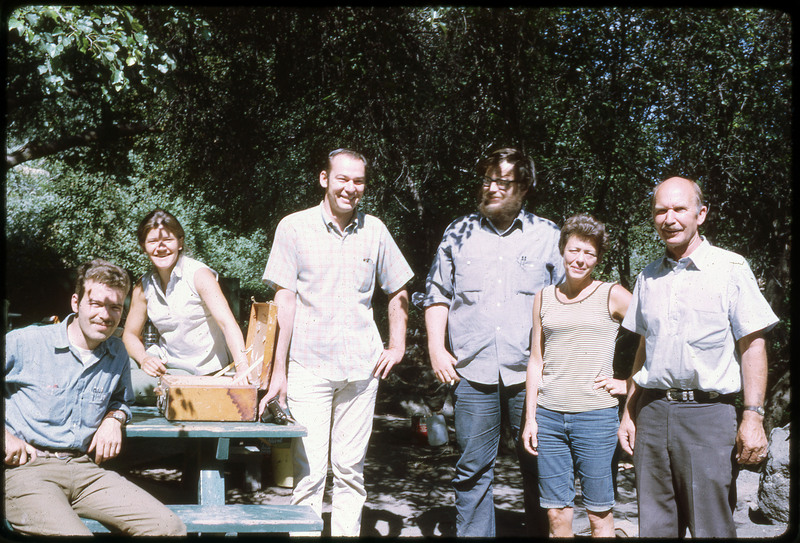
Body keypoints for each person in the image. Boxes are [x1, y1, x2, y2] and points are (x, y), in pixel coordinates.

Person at [261, 148, 413, 536]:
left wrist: (396, 346)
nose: (350, 188)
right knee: (309, 474)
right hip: (308, 367)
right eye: (342, 178)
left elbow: (399, 290)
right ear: (324, 179)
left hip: (362, 370)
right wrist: (277, 371)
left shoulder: (375, 230)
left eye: (358, 181)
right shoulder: (293, 227)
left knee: (350, 472)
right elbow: (284, 302)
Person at [618, 176, 779, 538]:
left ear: (700, 214)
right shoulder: (648, 277)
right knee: (655, 529)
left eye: (679, 209)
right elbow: (645, 348)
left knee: (712, 529)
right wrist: (629, 412)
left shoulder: (731, 269)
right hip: (653, 415)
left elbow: (753, 345)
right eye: (661, 210)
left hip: (709, 416)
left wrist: (753, 417)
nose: (669, 218)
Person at [422, 147, 563, 537]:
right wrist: (437, 348)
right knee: (472, 470)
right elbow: (437, 294)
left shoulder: (548, 236)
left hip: (532, 376)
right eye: (487, 179)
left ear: (524, 188)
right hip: (473, 374)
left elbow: (570, 303)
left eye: (501, 181)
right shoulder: (459, 232)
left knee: (540, 467)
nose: (491, 187)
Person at [4, 259, 186, 536]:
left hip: (85, 470)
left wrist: (115, 418)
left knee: (167, 528)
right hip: (26, 470)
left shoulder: (117, 353)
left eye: (115, 307)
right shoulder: (26, 342)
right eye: (97, 304)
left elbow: (121, 400)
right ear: (76, 303)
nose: (106, 315)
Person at [521, 214, 631, 537]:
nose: (580, 259)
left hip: (596, 418)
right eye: (574, 250)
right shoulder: (543, 297)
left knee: (599, 516)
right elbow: (535, 361)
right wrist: (531, 418)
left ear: (598, 259)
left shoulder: (612, 294)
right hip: (550, 418)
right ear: (562, 250)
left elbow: (655, 334)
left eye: (589, 253)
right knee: (557, 516)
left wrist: (627, 383)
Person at [123, 209, 251, 403]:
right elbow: (130, 334)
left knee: (118, 382)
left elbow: (227, 323)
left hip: (201, 373)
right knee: (114, 365)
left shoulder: (199, 275)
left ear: (180, 243)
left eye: (168, 240)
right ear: (143, 246)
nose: (161, 247)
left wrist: (242, 369)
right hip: (166, 364)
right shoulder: (144, 286)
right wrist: (144, 359)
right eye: (152, 242)